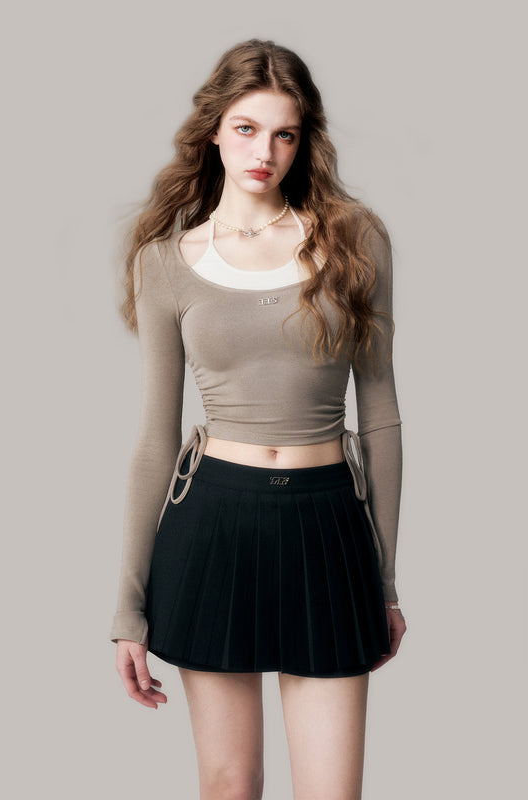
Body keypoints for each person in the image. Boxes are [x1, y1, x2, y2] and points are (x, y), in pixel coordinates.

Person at [110, 38, 407, 800]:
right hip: (210, 524)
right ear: (213, 129)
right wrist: (127, 606)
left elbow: (379, 418)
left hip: (326, 524)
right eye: (245, 128)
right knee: (230, 783)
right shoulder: (163, 262)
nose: (263, 152)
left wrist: (385, 580)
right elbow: (155, 441)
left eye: (284, 134)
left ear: (303, 141)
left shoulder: (355, 242)